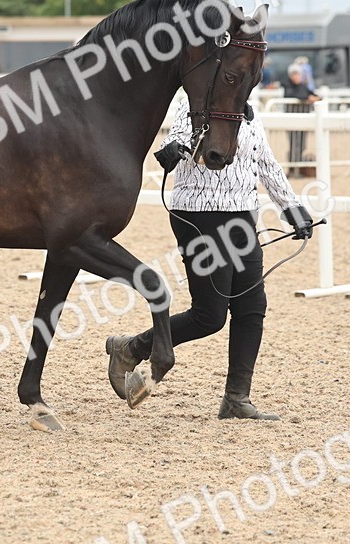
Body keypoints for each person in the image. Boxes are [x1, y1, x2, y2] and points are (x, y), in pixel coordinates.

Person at [105, 94, 315, 420]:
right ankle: (131, 348)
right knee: (210, 316)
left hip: (243, 215)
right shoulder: (193, 99)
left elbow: (264, 160)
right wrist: (172, 151)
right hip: (198, 215)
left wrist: (292, 207)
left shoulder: (248, 107)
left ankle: (236, 399)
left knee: (252, 306)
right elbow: (174, 139)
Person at [283, 64, 320, 176]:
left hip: (303, 121)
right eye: (293, 74)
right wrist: (308, 98)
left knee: (302, 145)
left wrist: (314, 97)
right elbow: (297, 95)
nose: (296, 77)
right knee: (294, 144)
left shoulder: (303, 86)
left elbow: (313, 95)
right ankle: (293, 169)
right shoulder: (287, 85)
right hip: (292, 121)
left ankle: (297, 169)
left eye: (297, 74)